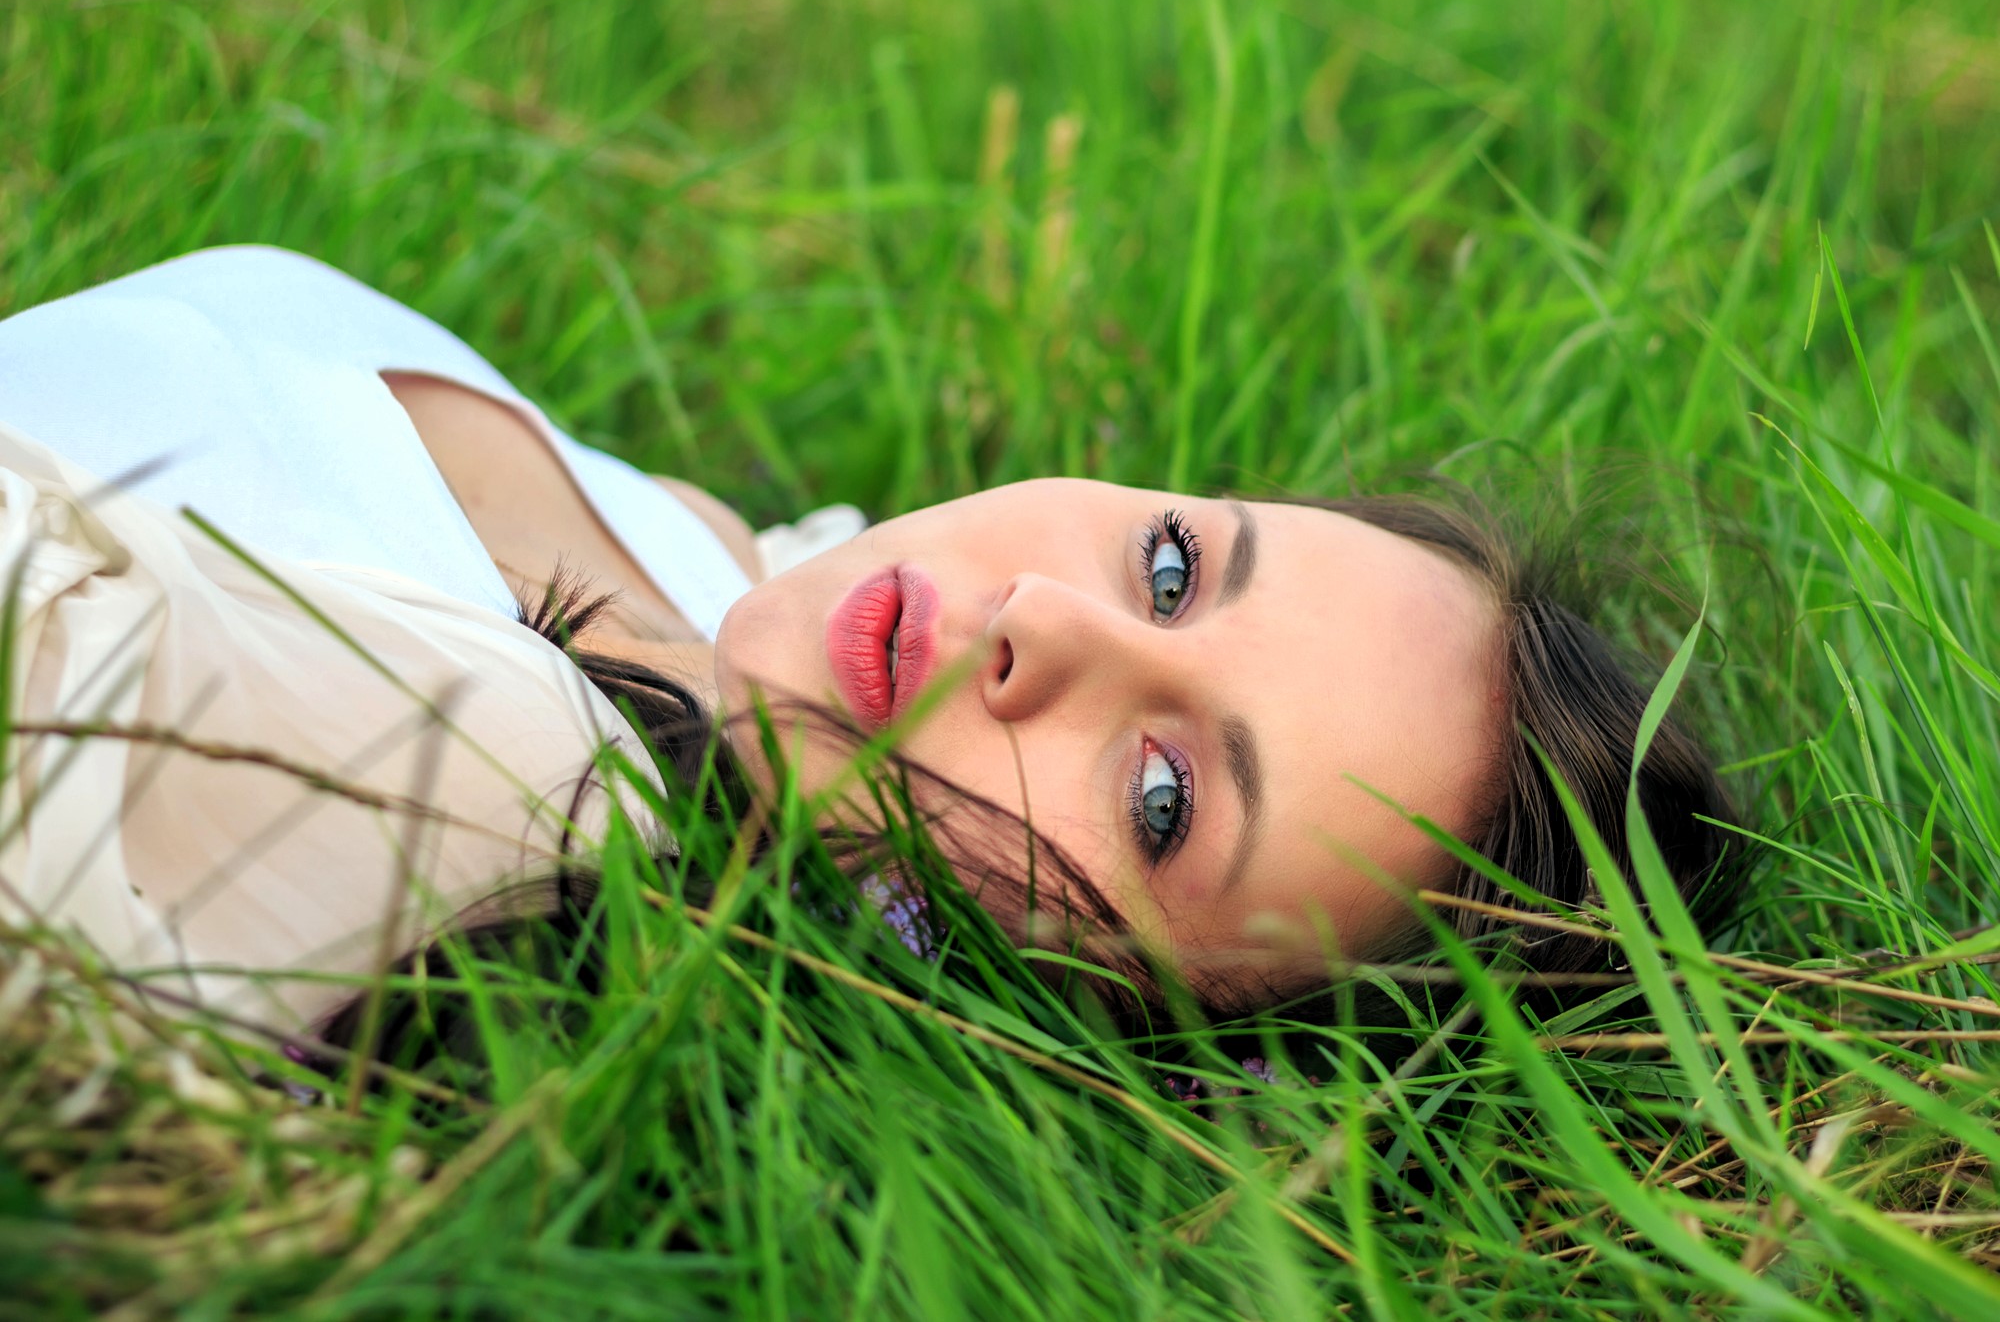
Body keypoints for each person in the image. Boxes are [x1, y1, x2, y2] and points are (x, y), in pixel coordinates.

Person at [0, 245, 1741, 1048]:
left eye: (1155, 799)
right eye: (1169, 561)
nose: (1043, 623)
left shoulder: (471, 789)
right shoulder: (728, 591)